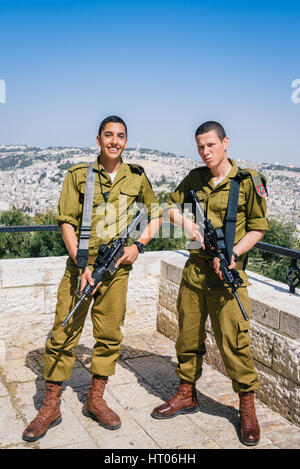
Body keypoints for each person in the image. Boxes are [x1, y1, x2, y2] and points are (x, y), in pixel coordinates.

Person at [23, 115, 161, 442]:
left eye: (121, 136)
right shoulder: (78, 176)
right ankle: (51, 405)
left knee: (110, 334)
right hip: (81, 268)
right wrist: (82, 264)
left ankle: (95, 399)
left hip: (116, 272)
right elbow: (66, 222)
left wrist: (138, 246)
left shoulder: (137, 177)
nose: (114, 141)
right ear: (97, 139)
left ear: (126, 141)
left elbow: (155, 215)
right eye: (108, 135)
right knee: (63, 332)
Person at [151, 121, 269, 446]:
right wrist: (187, 223)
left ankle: (247, 408)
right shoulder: (195, 178)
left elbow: (259, 227)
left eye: (211, 145)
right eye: (201, 146)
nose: (205, 152)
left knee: (234, 344)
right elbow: (169, 208)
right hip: (194, 273)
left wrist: (233, 255)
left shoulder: (248, 182)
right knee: (187, 337)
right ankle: (186, 393)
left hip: (226, 275)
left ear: (226, 143)